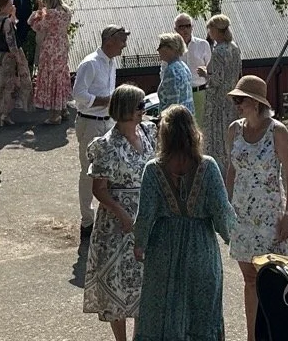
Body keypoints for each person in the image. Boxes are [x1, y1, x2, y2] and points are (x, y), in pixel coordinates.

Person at [132, 104, 236, 341]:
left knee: (162, 315)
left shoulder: (153, 169)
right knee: (202, 317)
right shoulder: (208, 166)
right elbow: (222, 212)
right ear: (193, 131)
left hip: (163, 251)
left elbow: (145, 215)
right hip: (201, 251)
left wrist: (140, 244)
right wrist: (236, 239)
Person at [226, 75, 288, 341]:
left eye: (240, 100)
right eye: (235, 100)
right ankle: (252, 336)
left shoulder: (277, 131)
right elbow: (231, 170)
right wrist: (225, 205)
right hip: (242, 215)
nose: (237, 104)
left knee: (272, 280)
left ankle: (276, 334)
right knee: (249, 280)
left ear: (256, 103)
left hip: (270, 216)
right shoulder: (234, 129)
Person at [83, 85, 155, 341]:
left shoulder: (149, 132)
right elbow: (99, 189)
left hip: (146, 216)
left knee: (144, 284)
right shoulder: (106, 145)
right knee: (117, 284)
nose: (143, 111)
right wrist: (122, 214)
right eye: (139, 106)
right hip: (116, 224)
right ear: (125, 108)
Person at [75, 25, 129, 238]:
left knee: (110, 171)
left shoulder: (111, 62)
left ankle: (107, 215)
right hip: (90, 123)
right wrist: (107, 100)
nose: (124, 45)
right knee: (89, 172)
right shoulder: (90, 64)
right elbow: (78, 94)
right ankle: (87, 221)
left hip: (108, 122)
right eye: (122, 40)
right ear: (109, 41)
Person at [29, 0, 73, 125]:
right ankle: (63, 109)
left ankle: (55, 115)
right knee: (60, 74)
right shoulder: (66, 11)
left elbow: (35, 25)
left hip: (51, 45)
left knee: (51, 75)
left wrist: (38, 11)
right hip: (62, 43)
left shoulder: (49, 14)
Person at [201, 14, 241, 163]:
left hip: (219, 100)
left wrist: (205, 74)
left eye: (210, 29)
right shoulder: (234, 48)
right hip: (233, 96)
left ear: (216, 31)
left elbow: (217, 80)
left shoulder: (218, 51)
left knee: (218, 136)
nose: (209, 33)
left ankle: (221, 165)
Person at [0, 0, 31, 126]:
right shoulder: (7, 22)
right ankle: (4, 113)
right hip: (9, 56)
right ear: (3, 7)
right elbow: (11, 41)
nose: (12, 7)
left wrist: (13, 14)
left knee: (2, 83)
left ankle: (2, 112)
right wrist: (18, 58)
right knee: (9, 85)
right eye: (9, 5)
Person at [173, 14, 212, 122]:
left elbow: (212, 71)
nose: (185, 29)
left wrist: (206, 73)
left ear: (192, 27)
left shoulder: (203, 44)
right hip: (180, 95)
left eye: (188, 26)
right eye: (181, 26)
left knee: (201, 128)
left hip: (200, 92)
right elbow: (164, 71)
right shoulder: (171, 47)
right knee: (182, 127)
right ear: (175, 29)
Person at [156, 33, 194, 112]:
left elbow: (173, 104)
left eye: (161, 46)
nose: (158, 49)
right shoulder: (183, 66)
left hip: (175, 120)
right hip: (187, 116)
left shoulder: (171, 70)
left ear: (171, 48)